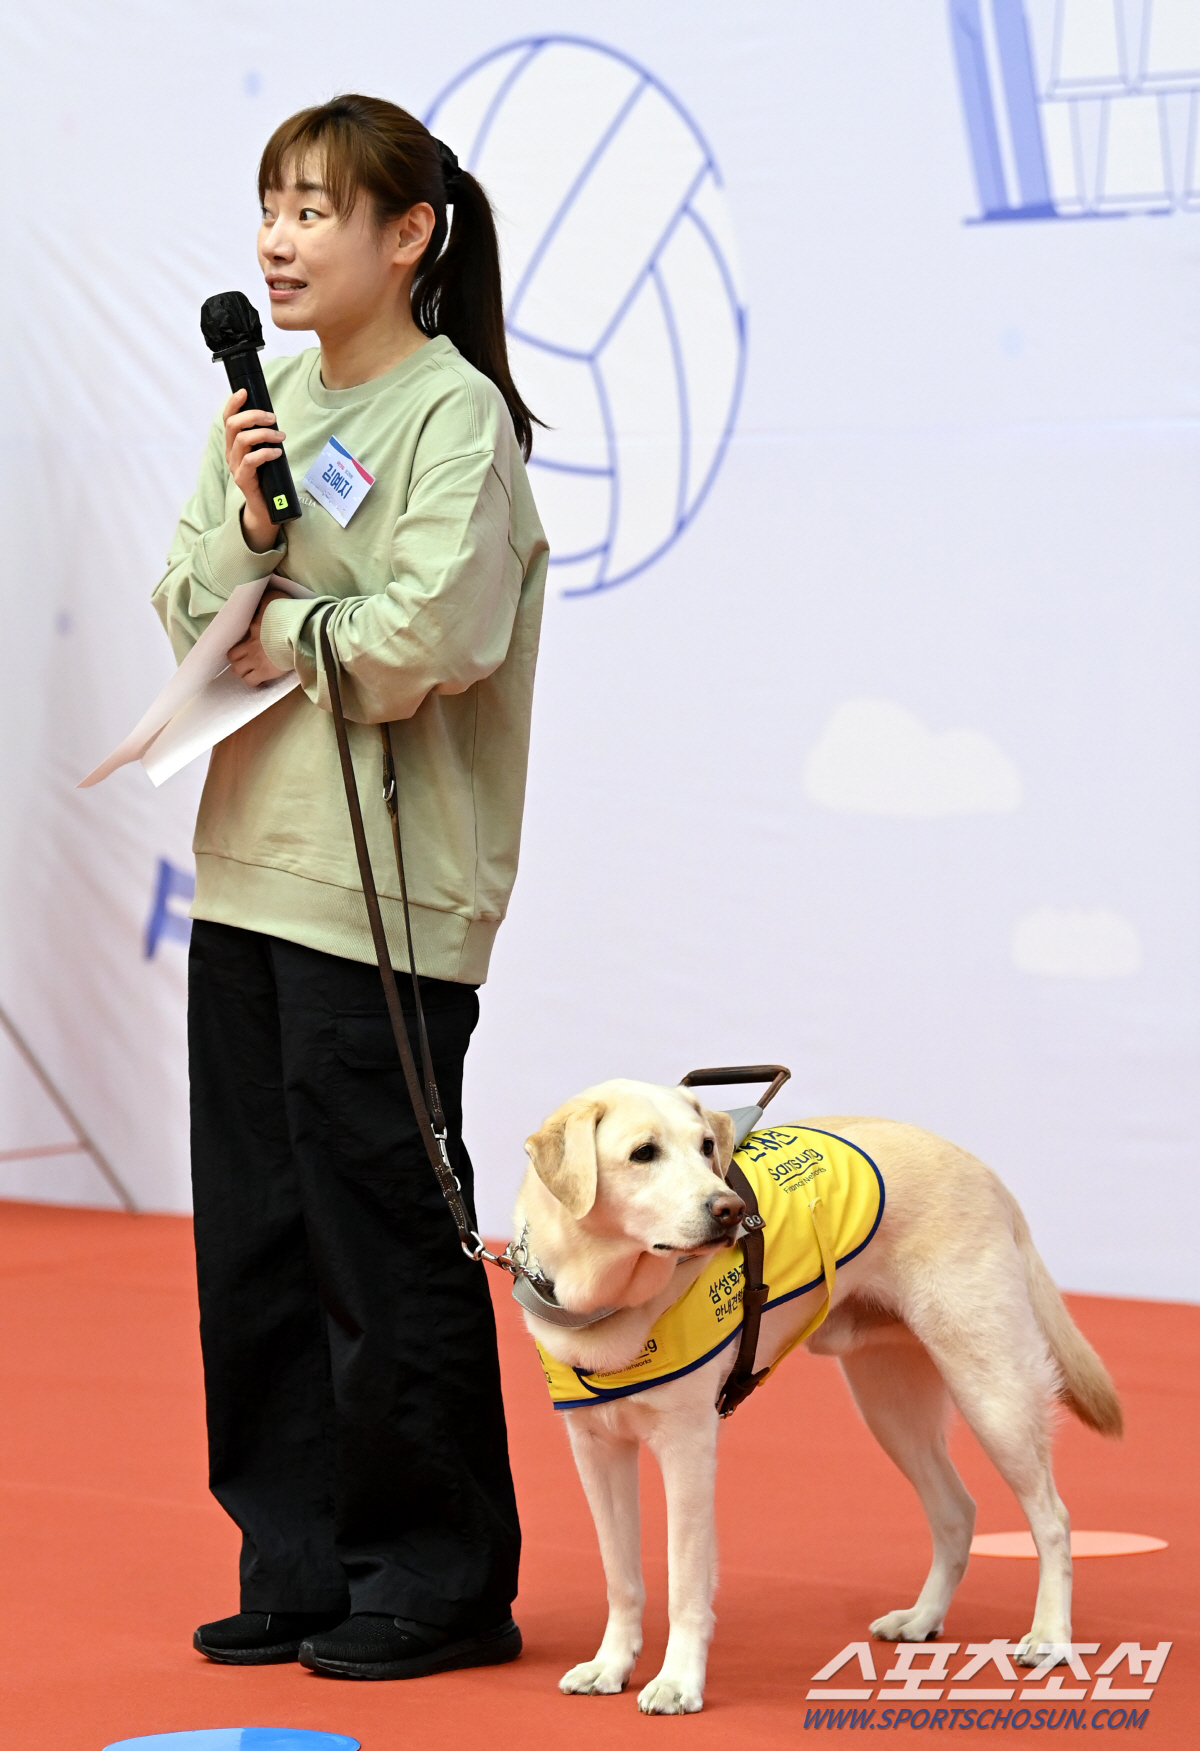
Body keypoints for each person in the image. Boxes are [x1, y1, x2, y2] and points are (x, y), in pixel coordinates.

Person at [151, 94, 547, 1682]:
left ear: (410, 237)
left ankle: (440, 1576)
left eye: (319, 209)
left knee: (383, 1237)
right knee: (253, 1233)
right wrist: (258, 531)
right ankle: (301, 1555)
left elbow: (421, 646)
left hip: (384, 894)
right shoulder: (268, 401)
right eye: (273, 204)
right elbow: (183, 594)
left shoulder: (457, 420)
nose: (282, 236)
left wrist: (285, 624)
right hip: (251, 871)